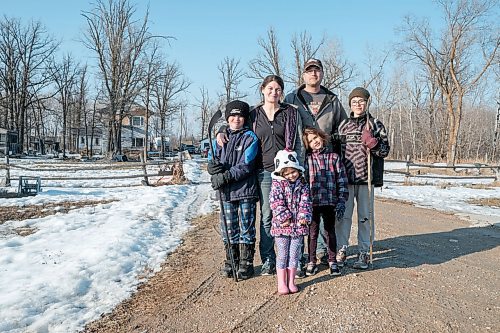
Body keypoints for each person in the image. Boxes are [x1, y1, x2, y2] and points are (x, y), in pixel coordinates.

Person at [217, 75, 303, 276]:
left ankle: (295, 257)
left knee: (293, 214)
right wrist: (220, 130)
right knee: (267, 216)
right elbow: (235, 126)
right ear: (262, 90)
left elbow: (298, 140)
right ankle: (268, 259)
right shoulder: (254, 114)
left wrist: (298, 168)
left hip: (288, 172)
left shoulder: (290, 113)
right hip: (264, 172)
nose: (274, 92)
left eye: (278, 89)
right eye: (270, 88)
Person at [284, 58, 347, 276]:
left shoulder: (332, 99)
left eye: (317, 71)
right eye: (309, 71)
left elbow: (344, 127)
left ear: (321, 74)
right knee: (302, 210)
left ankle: (323, 253)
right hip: (301, 160)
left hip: (326, 161)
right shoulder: (292, 98)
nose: (313, 74)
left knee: (324, 210)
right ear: (304, 75)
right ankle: (301, 256)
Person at [335, 87, 390, 269]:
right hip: (346, 179)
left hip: (367, 179)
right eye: (354, 102)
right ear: (350, 104)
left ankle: (364, 252)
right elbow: (335, 150)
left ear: (367, 103)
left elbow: (385, 151)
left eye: (361, 101)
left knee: (365, 217)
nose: (358, 105)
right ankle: (341, 249)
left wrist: (373, 144)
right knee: (343, 217)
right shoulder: (343, 125)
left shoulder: (375, 124)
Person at [208, 100, 260, 280]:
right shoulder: (220, 139)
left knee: (246, 226)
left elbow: (246, 164)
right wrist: (212, 168)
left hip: (245, 189)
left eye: (240, 116)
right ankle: (232, 260)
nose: (236, 119)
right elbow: (212, 157)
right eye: (233, 115)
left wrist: (227, 176)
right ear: (228, 118)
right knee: (229, 227)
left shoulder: (250, 138)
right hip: (225, 192)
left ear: (245, 118)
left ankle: (246, 262)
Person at [302, 127, 348, 276]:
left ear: (321, 137)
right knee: (313, 233)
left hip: (330, 201)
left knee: (329, 231)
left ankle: (332, 260)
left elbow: (342, 180)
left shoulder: (333, 158)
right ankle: (311, 261)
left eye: (316, 138)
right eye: (310, 141)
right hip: (312, 203)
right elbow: (302, 183)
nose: (315, 142)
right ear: (307, 144)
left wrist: (341, 200)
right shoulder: (307, 160)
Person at [269, 149, 312, 294]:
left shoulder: (303, 185)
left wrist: (303, 217)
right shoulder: (277, 185)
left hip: (297, 228)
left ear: (298, 170)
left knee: (294, 255)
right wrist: (284, 217)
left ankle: (291, 282)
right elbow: (276, 202)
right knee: (282, 254)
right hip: (281, 227)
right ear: (281, 174)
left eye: (293, 172)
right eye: (286, 173)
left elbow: (306, 202)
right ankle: (282, 283)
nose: (290, 176)